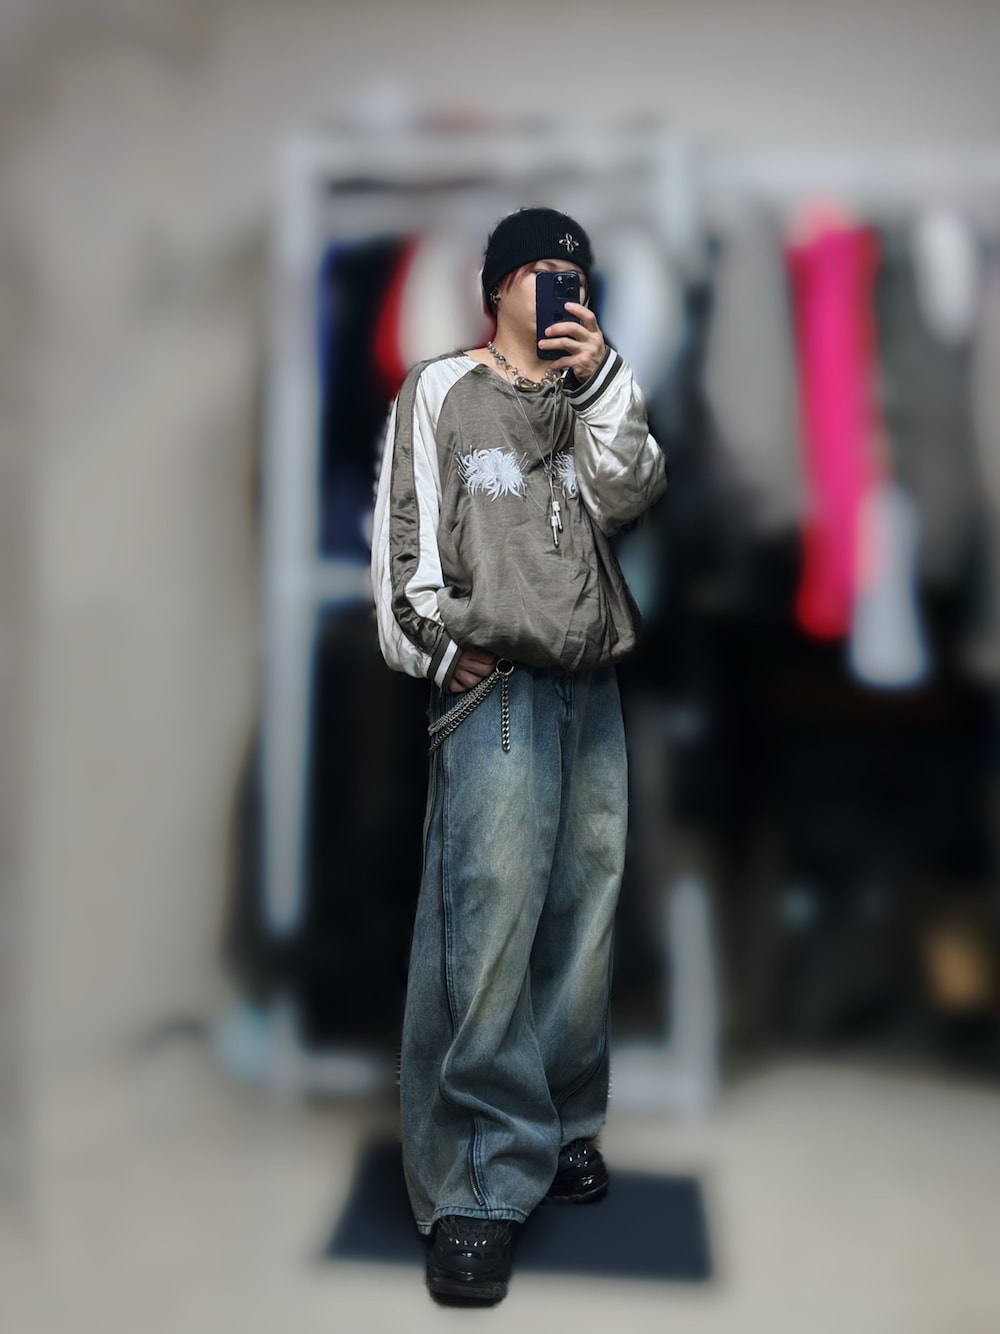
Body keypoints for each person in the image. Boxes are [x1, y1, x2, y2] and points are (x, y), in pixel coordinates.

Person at [371, 207, 666, 1304]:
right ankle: (475, 1186)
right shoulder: (442, 391)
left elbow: (631, 494)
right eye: (535, 269)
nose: (554, 286)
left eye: (570, 272)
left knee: (580, 919)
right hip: (494, 685)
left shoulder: (590, 391)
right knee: (487, 925)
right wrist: (440, 648)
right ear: (493, 284)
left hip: (591, 688)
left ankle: (563, 1126)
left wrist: (600, 382)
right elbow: (403, 545)